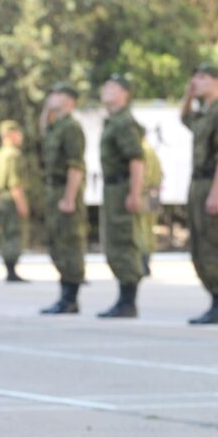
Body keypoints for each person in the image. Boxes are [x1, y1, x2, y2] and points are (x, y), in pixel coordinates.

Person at [181, 63, 218, 325]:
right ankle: (214, 300)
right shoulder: (204, 114)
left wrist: (216, 193)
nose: (197, 81)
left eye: (203, 77)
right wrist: (189, 94)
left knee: (215, 244)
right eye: (195, 76)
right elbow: (184, 118)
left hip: (214, 183)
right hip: (199, 184)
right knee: (200, 244)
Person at [97, 74, 146, 318]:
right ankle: (123, 298)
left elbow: (136, 160)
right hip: (112, 188)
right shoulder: (114, 120)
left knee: (123, 242)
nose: (106, 89)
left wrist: (134, 193)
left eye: (113, 87)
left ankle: (128, 301)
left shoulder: (124, 122)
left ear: (125, 94)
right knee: (114, 242)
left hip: (122, 187)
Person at [39, 83, 87, 315]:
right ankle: (65, 295)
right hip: (53, 189)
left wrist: (69, 197)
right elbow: (43, 128)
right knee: (57, 242)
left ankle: (71, 298)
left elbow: (75, 166)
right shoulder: (56, 125)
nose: (52, 96)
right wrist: (48, 109)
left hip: (65, 189)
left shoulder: (70, 127)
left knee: (69, 243)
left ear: (70, 100)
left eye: (58, 94)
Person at [0, 120, 29, 282]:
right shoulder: (13, 155)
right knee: (14, 233)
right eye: (17, 133)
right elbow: (15, 184)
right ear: (10, 134)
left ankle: (9, 267)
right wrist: (22, 205)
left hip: (1, 198)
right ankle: (12, 269)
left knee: (5, 233)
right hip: (11, 199)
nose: (20, 136)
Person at [136, 133, 162, 277]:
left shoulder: (141, 150)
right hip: (153, 192)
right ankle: (147, 260)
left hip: (144, 192)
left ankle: (143, 263)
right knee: (149, 229)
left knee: (141, 229)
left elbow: (142, 174)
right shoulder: (151, 150)